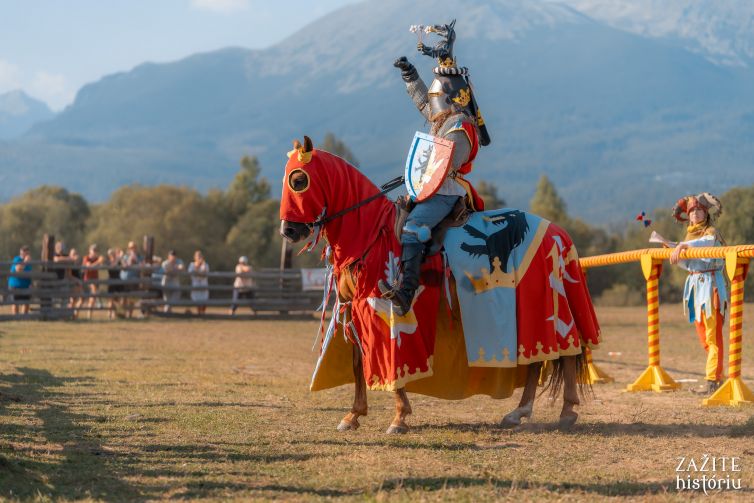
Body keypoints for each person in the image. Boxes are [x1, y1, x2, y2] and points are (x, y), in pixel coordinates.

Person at [378, 20, 490, 315]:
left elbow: (448, 163)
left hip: (446, 190)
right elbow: (422, 105)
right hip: (429, 184)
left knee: (413, 228)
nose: (432, 103)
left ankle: (406, 293)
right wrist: (409, 75)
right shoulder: (443, 120)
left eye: (436, 97)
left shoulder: (461, 125)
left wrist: (420, 182)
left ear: (451, 98)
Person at [669, 193, 728, 394]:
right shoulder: (688, 236)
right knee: (704, 337)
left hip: (712, 286)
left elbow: (707, 244)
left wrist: (683, 246)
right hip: (695, 288)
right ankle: (718, 377)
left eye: (699, 210)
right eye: (692, 211)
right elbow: (691, 264)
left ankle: (713, 380)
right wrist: (674, 250)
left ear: (706, 213)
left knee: (713, 336)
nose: (695, 213)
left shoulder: (711, 232)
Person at [81, 244, 104, 319]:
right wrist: (98, 262)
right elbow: (89, 267)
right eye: (93, 250)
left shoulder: (97, 258)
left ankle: (89, 317)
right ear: (89, 251)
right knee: (82, 299)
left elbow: (101, 264)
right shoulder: (86, 258)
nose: (94, 252)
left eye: (96, 250)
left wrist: (99, 262)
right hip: (87, 281)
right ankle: (98, 300)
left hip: (95, 280)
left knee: (91, 299)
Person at [8, 245, 32, 315]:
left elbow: (29, 273)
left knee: (26, 303)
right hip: (15, 286)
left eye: (27, 253)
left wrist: (31, 283)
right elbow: (18, 269)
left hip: (26, 285)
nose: (26, 255)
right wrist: (25, 261)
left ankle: (24, 319)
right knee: (15, 303)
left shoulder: (29, 263)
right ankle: (15, 318)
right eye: (24, 253)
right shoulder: (17, 259)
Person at [188, 250, 209, 315]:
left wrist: (202, 264)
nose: (199, 257)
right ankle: (199, 313)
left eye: (200, 256)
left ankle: (202, 313)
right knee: (197, 301)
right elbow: (191, 272)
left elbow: (205, 272)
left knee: (204, 300)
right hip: (195, 286)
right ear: (194, 257)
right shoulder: (191, 265)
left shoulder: (205, 264)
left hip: (204, 285)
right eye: (197, 256)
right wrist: (197, 266)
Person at [67, 248, 83, 318]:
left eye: (76, 254)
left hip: (78, 282)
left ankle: (74, 314)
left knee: (80, 299)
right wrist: (77, 280)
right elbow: (69, 275)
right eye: (73, 254)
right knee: (73, 300)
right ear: (70, 255)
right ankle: (70, 315)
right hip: (74, 283)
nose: (75, 255)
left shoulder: (77, 263)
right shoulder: (69, 263)